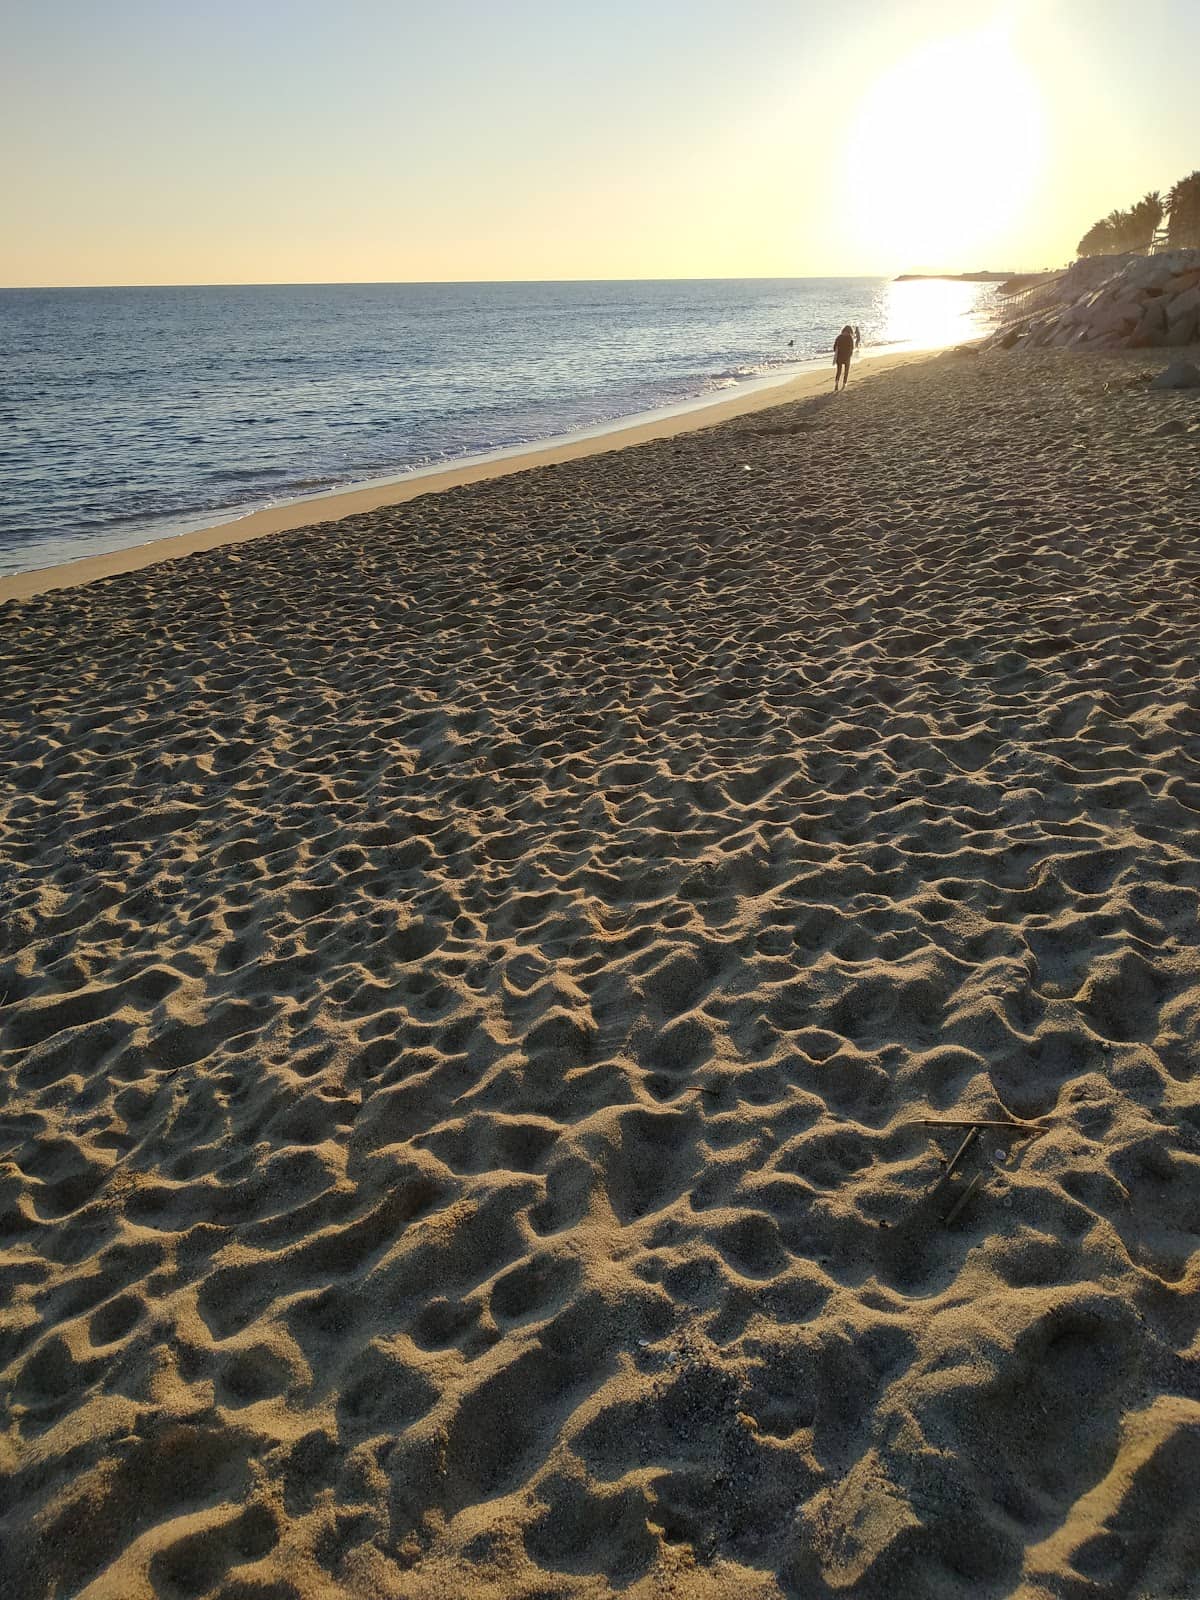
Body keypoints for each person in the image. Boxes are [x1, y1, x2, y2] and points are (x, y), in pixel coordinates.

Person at [833, 325, 854, 390]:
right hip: (847, 357)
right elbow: (852, 347)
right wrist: (850, 354)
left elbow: (834, 347)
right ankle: (844, 384)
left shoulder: (839, 337)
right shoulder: (850, 337)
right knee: (846, 371)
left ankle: (836, 383)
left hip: (839, 356)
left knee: (839, 370)